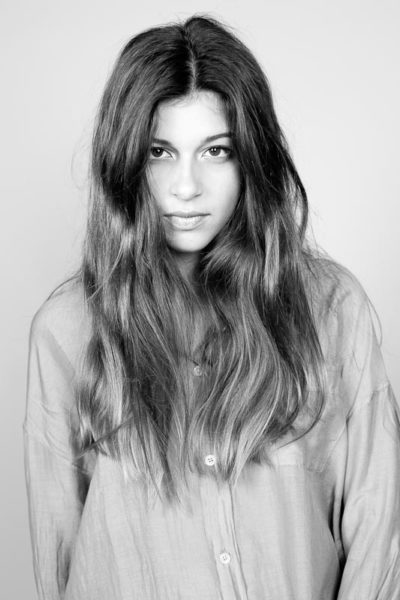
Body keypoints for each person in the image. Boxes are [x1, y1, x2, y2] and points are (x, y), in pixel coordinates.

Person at [23, 15, 400, 600]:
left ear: (251, 159)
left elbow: (379, 535)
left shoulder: (332, 310)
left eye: (216, 151)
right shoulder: (68, 330)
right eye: (159, 152)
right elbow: (61, 557)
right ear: (126, 160)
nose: (186, 186)